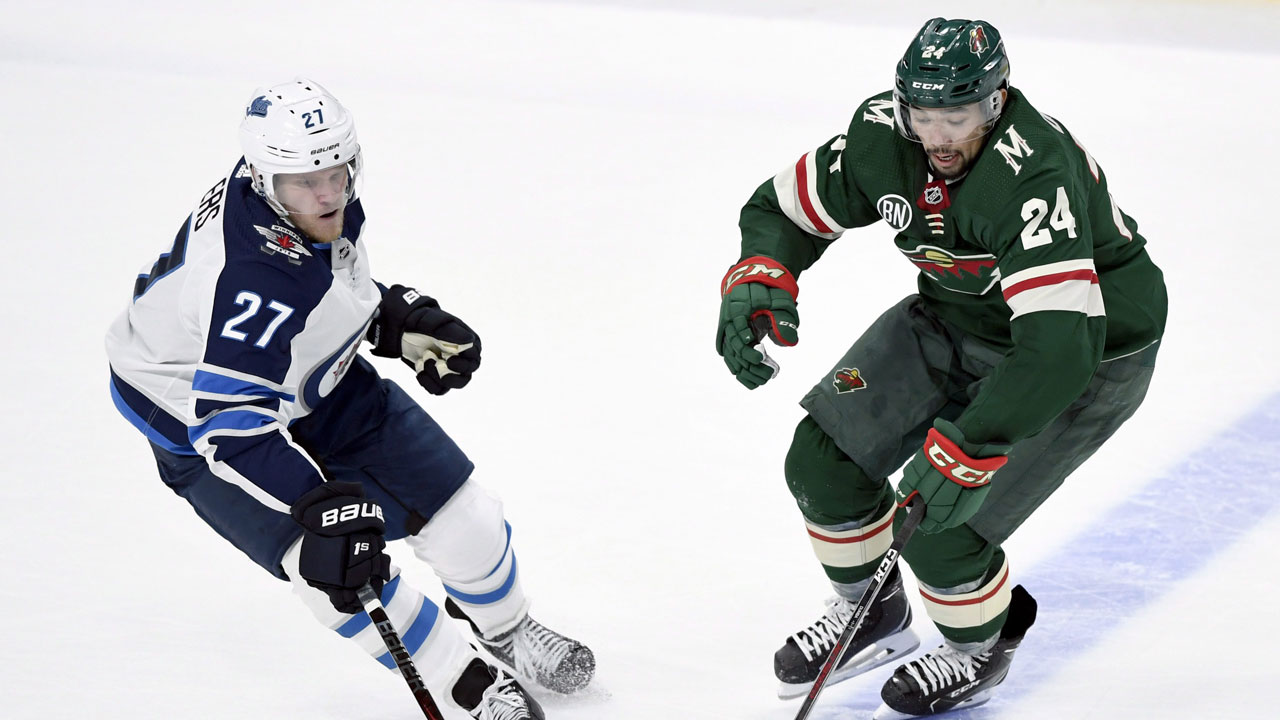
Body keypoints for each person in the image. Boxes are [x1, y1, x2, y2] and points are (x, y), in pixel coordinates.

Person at [716, 18, 1165, 719]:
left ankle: (977, 647)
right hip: (955, 318)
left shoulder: (1032, 172)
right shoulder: (879, 138)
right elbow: (786, 206)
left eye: (958, 114)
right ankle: (870, 612)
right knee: (821, 464)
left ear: (996, 101)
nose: (939, 136)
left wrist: (970, 448)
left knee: (943, 524)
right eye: (922, 115)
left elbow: (1056, 348)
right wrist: (762, 270)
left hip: (1087, 351)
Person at [105, 78, 595, 720]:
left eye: (337, 170)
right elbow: (230, 421)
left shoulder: (291, 190)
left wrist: (390, 318)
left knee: (466, 516)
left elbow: (318, 281)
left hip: (311, 379)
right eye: (308, 182)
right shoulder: (254, 275)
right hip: (203, 418)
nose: (329, 192)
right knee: (331, 573)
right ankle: (467, 685)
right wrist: (317, 502)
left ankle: (505, 631)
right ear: (262, 177)